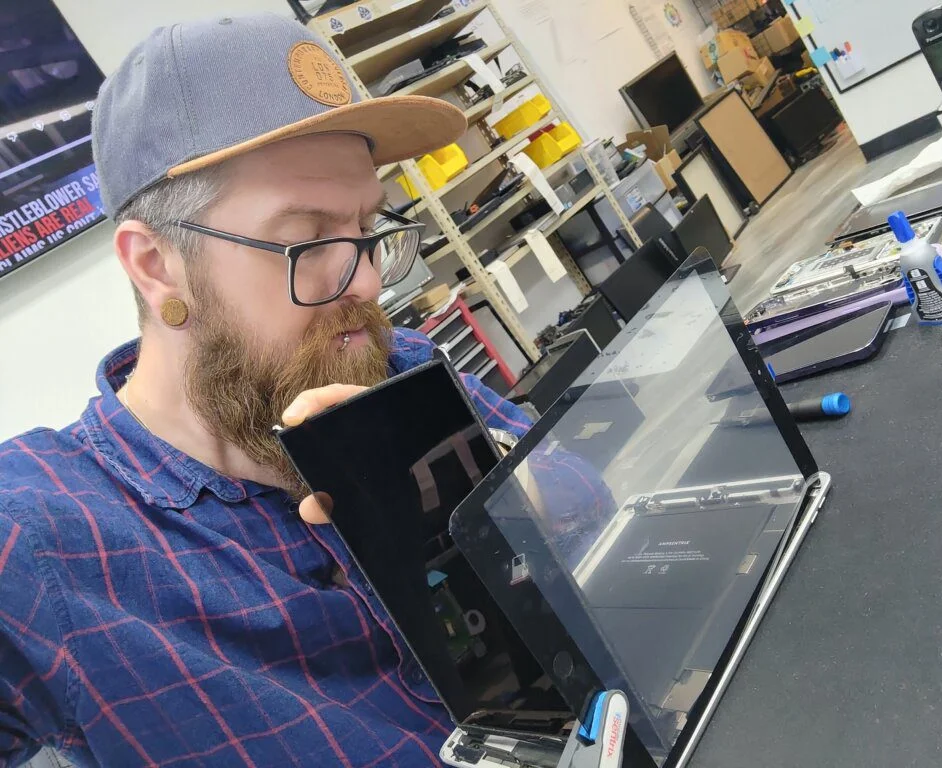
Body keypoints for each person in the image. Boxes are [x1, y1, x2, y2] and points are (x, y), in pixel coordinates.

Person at [0, 13, 556, 767]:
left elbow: (588, 499)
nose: (363, 280)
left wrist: (503, 490)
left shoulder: (403, 372)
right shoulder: (47, 537)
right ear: (157, 265)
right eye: (309, 240)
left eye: (366, 226)